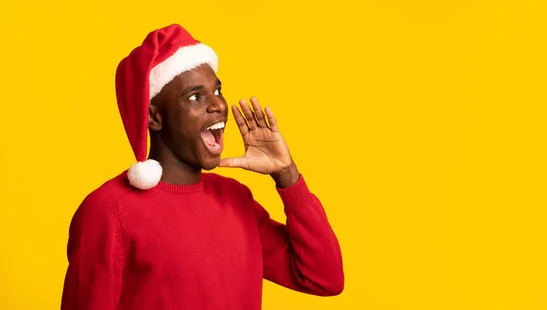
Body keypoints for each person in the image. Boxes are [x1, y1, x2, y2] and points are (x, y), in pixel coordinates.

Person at [60, 24, 344, 310]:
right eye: (195, 96)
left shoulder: (235, 199)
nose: (219, 105)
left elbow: (323, 277)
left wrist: (287, 175)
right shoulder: (109, 210)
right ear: (154, 117)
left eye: (217, 90)